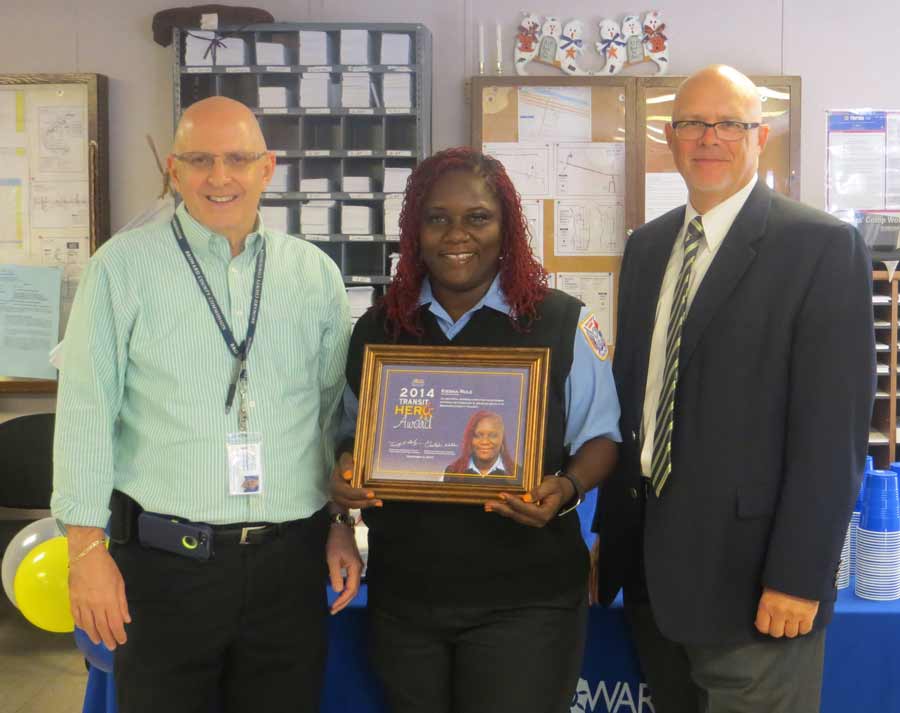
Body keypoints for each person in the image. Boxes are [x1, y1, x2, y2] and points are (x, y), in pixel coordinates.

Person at [51, 96, 362, 713]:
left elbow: (331, 417)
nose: (219, 177)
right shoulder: (121, 269)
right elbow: (86, 411)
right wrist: (86, 550)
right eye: (199, 160)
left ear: (267, 168)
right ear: (173, 169)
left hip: (288, 568)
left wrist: (338, 523)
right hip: (167, 568)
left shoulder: (315, 276)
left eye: (238, 159)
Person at [592, 65, 875, 712]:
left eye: (730, 124)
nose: (708, 138)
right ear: (669, 136)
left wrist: (799, 576)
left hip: (758, 589)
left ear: (760, 137)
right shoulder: (647, 247)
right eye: (693, 122)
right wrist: (609, 537)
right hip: (653, 579)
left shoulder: (821, 247)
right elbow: (633, 404)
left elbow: (832, 436)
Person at [332, 147, 621, 713]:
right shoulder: (379, 328)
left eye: (477, 217)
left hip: (527, 604)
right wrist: (345, 474)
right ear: (415, 232)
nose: (456, 234)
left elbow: (601, 438)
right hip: (406, 601)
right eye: (437, 218)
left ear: (505, 227)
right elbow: (349, 435)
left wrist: (564, 490)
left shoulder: (562, 322)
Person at [445, 410, 513, 476]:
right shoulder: (452, 472)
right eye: (477, 435)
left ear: (502, 439)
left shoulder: (519, 474)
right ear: (470, 439)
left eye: (493, 435)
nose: (485, 442)